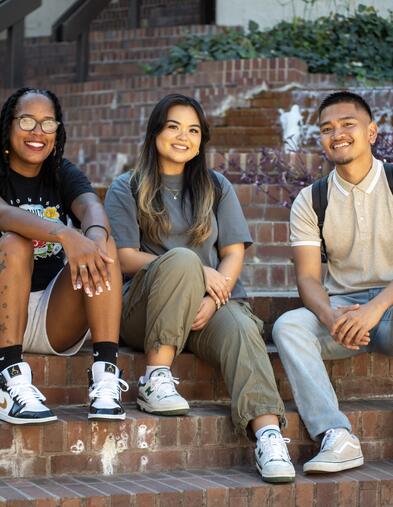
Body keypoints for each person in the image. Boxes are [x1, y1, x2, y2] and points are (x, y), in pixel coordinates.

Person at [104, 93, 295, 483]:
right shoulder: (127, 186)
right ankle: (155, 379)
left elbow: (233, 253)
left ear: (202, 139)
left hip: (207, 311)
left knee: (242, 329)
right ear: (155, 132)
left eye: (193, 130)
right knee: (185, 260)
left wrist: (211, 293)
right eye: (173, 126)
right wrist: (196, 272)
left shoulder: (216, 186)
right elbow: (123, 257)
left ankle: (268, 435)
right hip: (144, 311)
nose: (182, 137)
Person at [272, 90, 389, 473]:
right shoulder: (311, 199)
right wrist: (330, 317)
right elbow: (307, 277)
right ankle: (336, 437)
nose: (336, 134)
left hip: (387, 306)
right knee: (289, 326)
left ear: (372, 132)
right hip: (345, 312)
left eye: (347, 124)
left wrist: (375, 309)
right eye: (327, 128)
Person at [0, 87, 128, 424]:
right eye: (27, 121)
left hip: (50, 316)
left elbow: (90, 207)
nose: (37, 132)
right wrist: (63, 232)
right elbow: (3, 214)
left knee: (105, 247)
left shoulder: (60, 171)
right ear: (8, 125)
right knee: (15, 242)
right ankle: (9, 375)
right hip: (2, 308)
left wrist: (94, 237)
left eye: (48, 123)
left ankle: (105, 377)